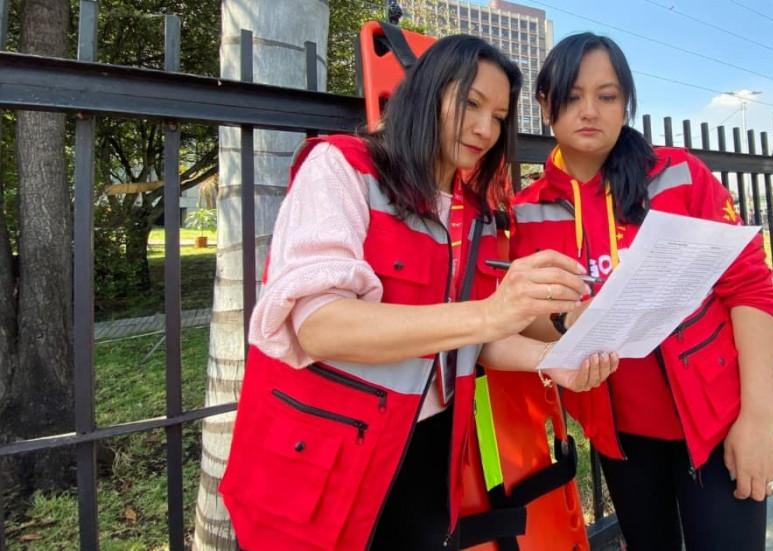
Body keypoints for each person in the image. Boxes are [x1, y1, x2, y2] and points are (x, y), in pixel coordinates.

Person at [218, 35, 617, 551]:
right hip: (325, 453)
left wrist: (550, 359)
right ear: (427, 91)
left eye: (498, 117)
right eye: (471, 103)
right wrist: (491, 311)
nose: (485, 129)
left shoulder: (474, 213)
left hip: (429, 447)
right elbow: (319, 325)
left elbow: (471, 338)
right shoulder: (343, 168)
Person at [511, 32, 773, 550]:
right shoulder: (527, 212)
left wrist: (757, 420)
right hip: (621, 439)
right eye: (572, 96)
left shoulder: (679, 177)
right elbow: (520, 319)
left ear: (626, 103)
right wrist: (569, 319)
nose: (589, 111)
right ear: (545, 104)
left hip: (718, 423)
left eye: (607, 95)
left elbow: (751, 289)